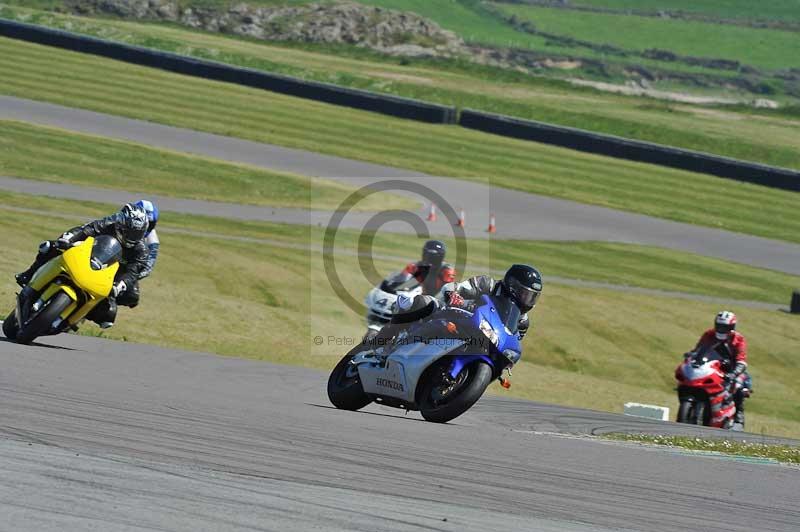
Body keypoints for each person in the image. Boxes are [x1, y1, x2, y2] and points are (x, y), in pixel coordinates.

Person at [15, 203, 150, 329]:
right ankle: (29, 275)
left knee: (111, 312)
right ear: (121, 225)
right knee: (49, 247)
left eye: (137, 233)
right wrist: (68, 240)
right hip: (90, 256)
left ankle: (80, 315)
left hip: (111, 276)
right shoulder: (108, 224)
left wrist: (121, 284)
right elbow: (86, 230)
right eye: (130, 231)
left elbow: (134, 272)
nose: (133, 236)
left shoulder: (141, 250)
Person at [373, 264, 542, 345]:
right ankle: (383, 338)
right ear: (512, 286)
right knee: (423, 303)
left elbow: (513, 342)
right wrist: (454, 295)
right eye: (524, 293)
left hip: (478, 342)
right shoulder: (487, 285)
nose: (526, 299)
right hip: (455, 317)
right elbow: (456, 288)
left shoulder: (522, 322)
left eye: (531, 296)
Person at [689, 311, 751, 429]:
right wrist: (692, 356)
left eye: (725, 327)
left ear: (732, 327)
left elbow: (741, 359)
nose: (722, 330)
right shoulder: (709, 334)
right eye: (719, 326)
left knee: (740, 386)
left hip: (731, 369)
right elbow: (698, 349)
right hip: (711, 366)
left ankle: (738, 416)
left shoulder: (738, 339)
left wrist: (734, 372)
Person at [380, 240, 456, 296]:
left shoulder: (446, 270)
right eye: (425, 253)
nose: (427, 257)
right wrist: (389, 285)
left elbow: (448, 291)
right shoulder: (415, 265)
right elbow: (402, 277)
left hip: (434, 302)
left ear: (438, 256)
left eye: (430, 255)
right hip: (414, 297)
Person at [134, 199, 160, 279]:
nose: (146, 226)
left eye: (150, 224)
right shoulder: (121, 223)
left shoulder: (153, 239)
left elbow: (147, 268)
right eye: (144, 222)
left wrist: (132, 276)